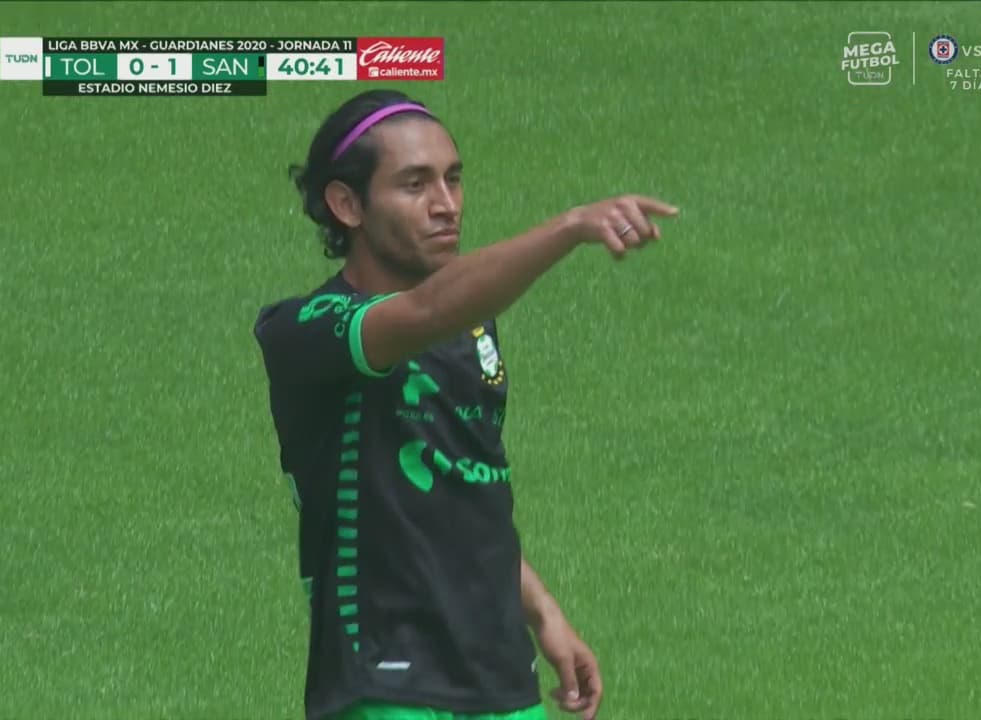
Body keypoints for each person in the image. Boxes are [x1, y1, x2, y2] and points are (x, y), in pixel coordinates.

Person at [253, 89, 678, 720]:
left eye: (452, 179)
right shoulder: (309, 330)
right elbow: (427, 309)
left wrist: (544, 614)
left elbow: (468, 486)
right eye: (414, 184)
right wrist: (570, 227)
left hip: (497, 674)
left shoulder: (471, 331)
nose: (446, 204)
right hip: (383, 677)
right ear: (347, 204)